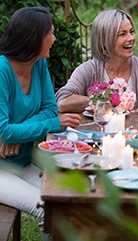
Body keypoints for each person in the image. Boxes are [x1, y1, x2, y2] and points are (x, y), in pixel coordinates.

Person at [0, 7, 80, 240]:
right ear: (35, 38)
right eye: (51, 34)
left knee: (64, 199)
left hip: (20, 160)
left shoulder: (39, 64)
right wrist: (49, 124)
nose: (54, 39)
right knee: (47, 209)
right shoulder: (2, 71)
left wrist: (17, 134)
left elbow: (50, 110)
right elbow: (4, 129)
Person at [55, 9, 138, 113]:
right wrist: (104, 100)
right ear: (105, 39)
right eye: (123, 34)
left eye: (131, 32)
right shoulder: (89, 69)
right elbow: (63, 102)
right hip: (98, 138)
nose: (131, 38)